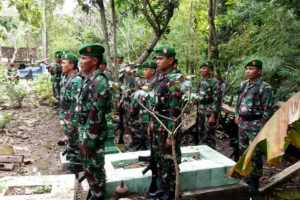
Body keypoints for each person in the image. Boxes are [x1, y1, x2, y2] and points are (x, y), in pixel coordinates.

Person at [234, 59, 274, 196]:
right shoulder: (243, 84)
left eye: (251, 69)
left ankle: (254, 181)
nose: (248, 71)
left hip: (256, 126)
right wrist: (236, 114)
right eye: (247, 69)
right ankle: (246, 175)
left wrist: (263, 129)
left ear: (259, 71)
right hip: (242, 124)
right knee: (243, 151)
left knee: (255, 154)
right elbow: (238, 100)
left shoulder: (264, 87)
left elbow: (268, 110)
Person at [148, 46, 183, 200]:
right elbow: (153, 103)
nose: (157, 61)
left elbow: (175, 110)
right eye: (156, 58)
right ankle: (163, 186)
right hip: (156, 124)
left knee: (169, 159)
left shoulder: (175, 79)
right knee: (160, 158)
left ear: (170, 60)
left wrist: (172, 133)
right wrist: (150, 124)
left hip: (167, 125)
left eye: (160, 59)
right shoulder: (159, 78)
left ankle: (170, 191)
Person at [75, 44, 110, 200]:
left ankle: (99, 195)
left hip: (93, 133)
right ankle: (94, 191)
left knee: (95, 166)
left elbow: (96, 113)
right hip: (86, 130)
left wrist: (88, 138)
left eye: (84, 58)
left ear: (94, 60)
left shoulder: (99, 82)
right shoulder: (88, 79)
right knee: (88, 165)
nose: (80, 61)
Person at [60, 51, 83, 176]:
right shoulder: (67, 78)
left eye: (64, 63)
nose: (61, 65)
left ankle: (76, 166)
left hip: (72, 118)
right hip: (67, 116)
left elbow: (77, 103)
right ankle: (73, 163)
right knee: (70, 142)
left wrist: (73, 122)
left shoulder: (76, 80)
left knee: (74, 142)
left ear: (72, 65)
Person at [193, 60, 221, 149]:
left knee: (209, 134)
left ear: (210, 70)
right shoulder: (200, 81)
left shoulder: (213, 82)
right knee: (201, 132)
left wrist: (213, 115)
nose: (202, 70)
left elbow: (217, 99)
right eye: (201, 68)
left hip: (209, 110)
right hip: (200, 109)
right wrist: (195, 110)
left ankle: (211, 153)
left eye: (204, 68)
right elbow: (197, 96)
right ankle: (203, 150)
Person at [130, 60, 157, 151]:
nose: (143, 72)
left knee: (151, 138)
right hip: (143, 114)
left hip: (152, 116)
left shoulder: (156, 84)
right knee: (144, 135)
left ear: (153, 71)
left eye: (146, 70)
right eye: (143, 70)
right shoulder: (145, 84)